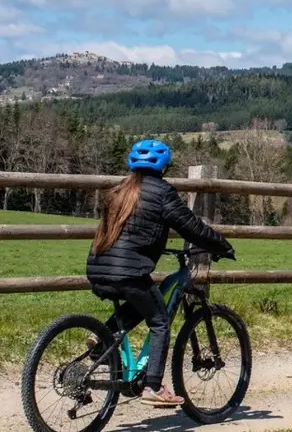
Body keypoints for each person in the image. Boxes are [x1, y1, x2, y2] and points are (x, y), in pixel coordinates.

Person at [87, 139, 235, 409]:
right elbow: (191, 226)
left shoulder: (119, 190)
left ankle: (101, 336)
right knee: (160, 322)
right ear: (164, 167)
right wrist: (222, 245)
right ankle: (153, 386)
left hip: (98, 268)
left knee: (141, 302)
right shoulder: (162, 192)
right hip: (129, 272)